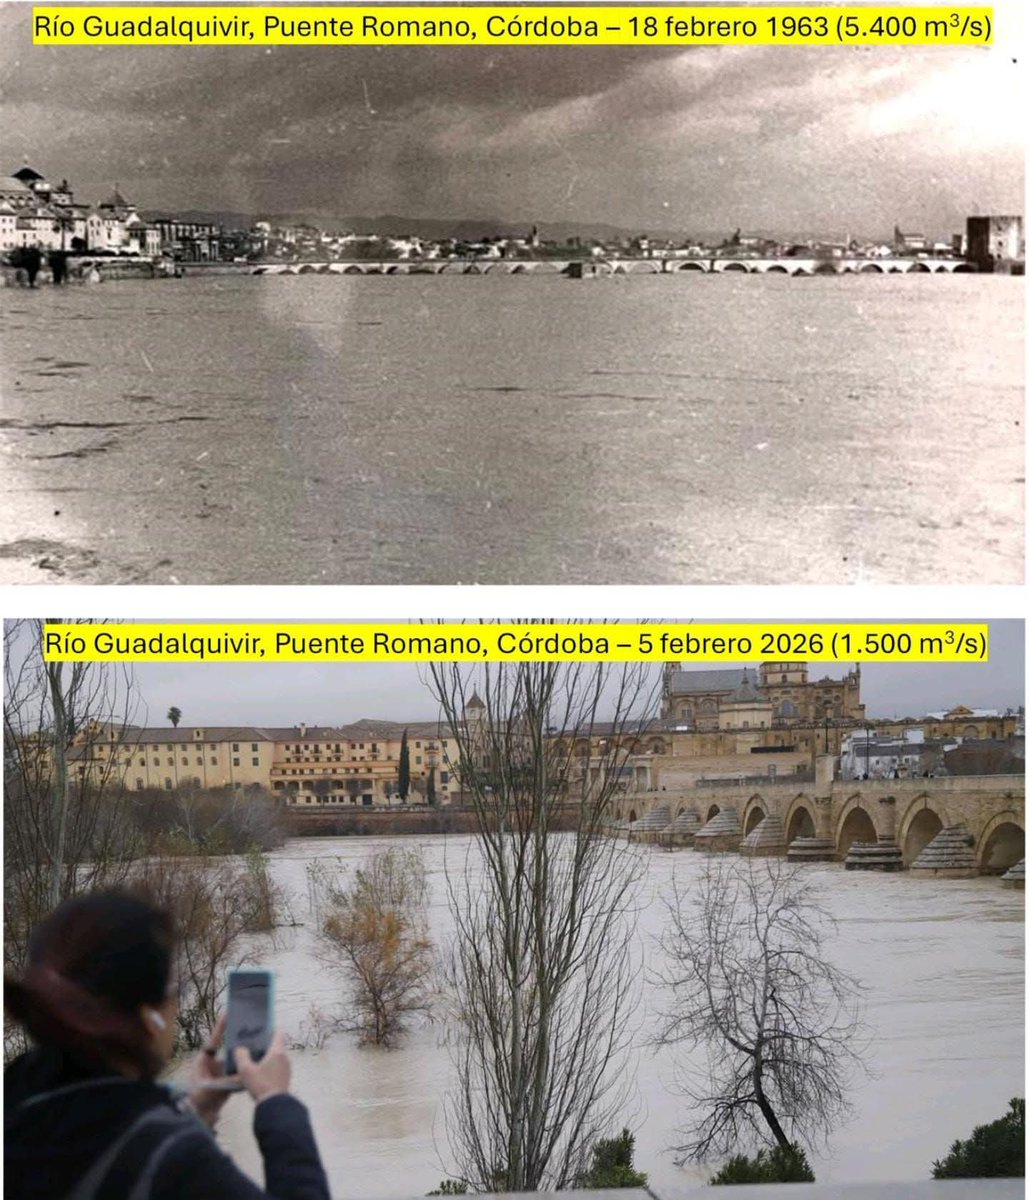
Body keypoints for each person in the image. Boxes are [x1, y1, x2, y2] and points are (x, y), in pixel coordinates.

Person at [4, 890, 330, 1200]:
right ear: (150, 1016)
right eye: (175, 988)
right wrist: (277, 1104)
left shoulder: (18, 1106)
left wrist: (192, 1113)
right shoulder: (176, 1160)